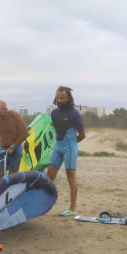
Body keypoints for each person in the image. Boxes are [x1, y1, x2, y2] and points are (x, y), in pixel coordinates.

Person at [46, 86, 85, 216]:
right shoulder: (54, 113)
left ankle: (73, 208)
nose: (60, 100)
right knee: (49, 175)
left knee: (70, 177)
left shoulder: (74, 114)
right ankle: (43, 201)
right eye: (58, 98)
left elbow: (82, 135)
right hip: (57, 147)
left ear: (68, 98)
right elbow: (54, 129)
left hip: (70, 148)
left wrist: (72, 145)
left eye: (62, 98)